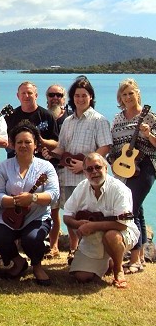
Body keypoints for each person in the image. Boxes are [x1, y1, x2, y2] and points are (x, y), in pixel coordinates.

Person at [43, 76, 112, 264]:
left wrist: (86, 165)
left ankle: (93, 252)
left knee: (90, 213)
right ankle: (74, 250)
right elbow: (62, 147)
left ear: (91, 97)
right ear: (72, 98)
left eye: (84, 95)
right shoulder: (68, 121)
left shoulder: (99, 120)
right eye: (77, 95)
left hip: (89, 177)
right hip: (67, 175)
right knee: (72, 215)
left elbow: (105, 147)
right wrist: (51, 153)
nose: (80, 99)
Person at [0, 123, 59, 286]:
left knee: (32, 238)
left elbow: (54, 194)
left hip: (37, 216)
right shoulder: (3, 167)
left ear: (35, 145)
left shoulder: (46, 167)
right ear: (13, 145)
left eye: (28, 142)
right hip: (8, 216)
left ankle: (37, 266)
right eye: (19, 142)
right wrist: (13, 201)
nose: (23, 145)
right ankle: (18, 262)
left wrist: (33, 198)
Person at [63, 153, 139, 289]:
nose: (94, 172)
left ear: (106, 168)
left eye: (98, 167)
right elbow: (67, 216)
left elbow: (122, 224)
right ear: (84, 172)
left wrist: (93, 226)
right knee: (81, 277)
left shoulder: (119, 190)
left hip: (123, 233)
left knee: (111, 235)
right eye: (89, 169)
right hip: (93, 238)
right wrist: (78, 224)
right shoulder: (81, 187)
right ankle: (108, 262)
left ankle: (118, 269)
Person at [109, 78, 156, 274]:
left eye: (131, 93)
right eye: (124, 94)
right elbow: (114, 144)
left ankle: (135, 257)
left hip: (145, 166)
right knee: (139, 211)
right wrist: (112, 162)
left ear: (138, 94)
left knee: (130, 208)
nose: (127, 97)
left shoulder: (150, 117)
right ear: (120, 98)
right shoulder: (118, 119)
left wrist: (148, 134)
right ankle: (142, 255)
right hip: (124, 167)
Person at [44, 83, 72, 258]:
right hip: (49, 170)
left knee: (71, 210)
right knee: (53, 211)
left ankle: (73, 249)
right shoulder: (43, 118)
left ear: (64, 98)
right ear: (46, 98)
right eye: (51, 95)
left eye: (59, 95)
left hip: (67, 169)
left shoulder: (70, 119)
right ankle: (53, 247)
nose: (55, 98)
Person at [5, 81, 58, 159]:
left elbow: (56, 143)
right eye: (23, 93)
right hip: (14, 163)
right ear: (18, 96)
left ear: (36, 95)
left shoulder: (47, 116)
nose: (26, 96)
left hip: (40, 164)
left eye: (30, 93)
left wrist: (43, 141)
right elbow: (4, 140)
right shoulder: (10, 116)